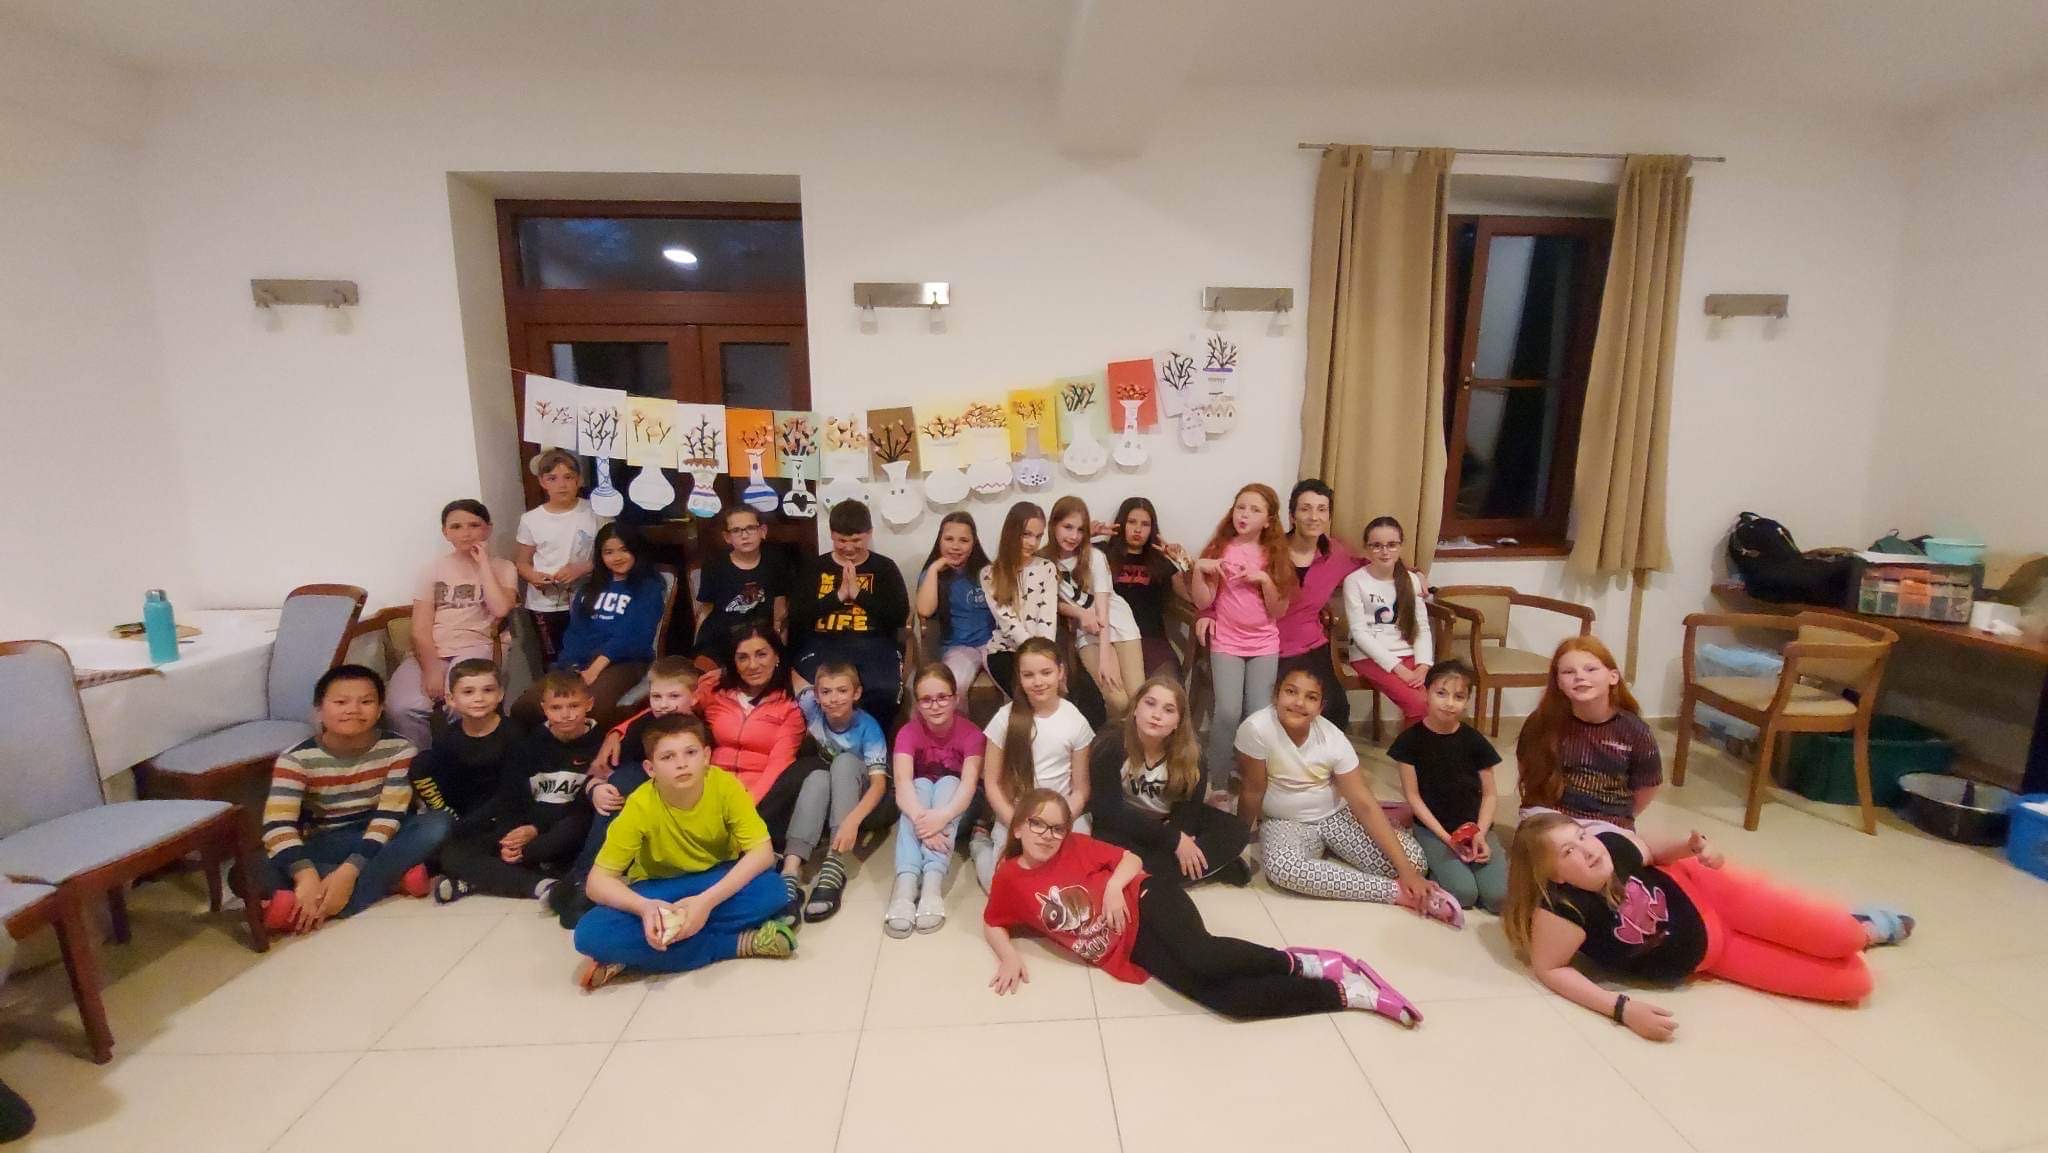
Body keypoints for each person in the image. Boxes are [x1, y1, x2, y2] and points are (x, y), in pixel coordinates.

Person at [983, 790, 1420, 1025]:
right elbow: (993, 921)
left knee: (1203, 956)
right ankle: (1348, 993)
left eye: (1056, 828)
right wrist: (1008, 956)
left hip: (1146, 899)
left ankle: (1306, 963)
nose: (1047, 835)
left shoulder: (1076, 846)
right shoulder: (1009, 878)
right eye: (1037, 824)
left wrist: (1114, 887)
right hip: (1130, 948)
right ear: (1018, 827)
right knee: (1227, 1000)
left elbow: (1129, 860)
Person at [1502, 812, 1915, 1040]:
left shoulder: (1610, 848)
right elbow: (1550, 968)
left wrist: (1693, 846)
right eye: (1568, 852)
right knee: (1854, 985)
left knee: (1842, 937)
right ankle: (1854, 933)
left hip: (1711, 894)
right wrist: (1623, 1010)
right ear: (1553, 875)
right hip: (1712, 956)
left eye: (1581, 837)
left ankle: (1865, 925)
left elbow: (1651, 850)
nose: (1586, 849)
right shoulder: (1563, 910)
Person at [570, 714, 797, 989]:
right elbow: (597, 882)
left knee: (773, 890)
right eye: (667, 757)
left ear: (706, 756)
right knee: (589, 933)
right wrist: (645, 908)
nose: (681, 763)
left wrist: (705, 903)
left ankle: (639, 952)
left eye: (690, 753)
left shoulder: (725, 786)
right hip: (658, 890)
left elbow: (762, 852)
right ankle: (735, 943)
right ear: (650, 768)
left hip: (713, 880)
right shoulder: (640, 805)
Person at [1236, 667, 1461, 925]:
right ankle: (1394, 893)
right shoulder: (1257, 728)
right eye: (1291, 692)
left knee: (1414, 861)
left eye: (1311, 697)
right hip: (1286, 822)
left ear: (1320, 707)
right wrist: (1237, 838)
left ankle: (1391, 835)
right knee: (1284, 869)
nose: (1299, 703)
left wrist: (1408, 872)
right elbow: (1253, 789)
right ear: (1276, 696)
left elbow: (1362, 802)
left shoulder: (1333, 738)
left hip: (1335, 815)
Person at [257, 666, 452, 932]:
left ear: (380, 709)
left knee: (438, 824)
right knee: (250, 868)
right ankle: (393, 880)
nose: (353, 710)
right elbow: (278, 825)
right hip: (330, 839)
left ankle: (338, 901)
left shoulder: (399, 749)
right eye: (340, 702)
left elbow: (389, 817)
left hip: (387, 834)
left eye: (366, 702)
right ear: (319, 710)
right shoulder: (295, 759)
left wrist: (349, 872)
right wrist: (306, 876)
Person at [552, 656, 701, 927]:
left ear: (695, 697)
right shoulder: (642, 726)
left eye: (673, 696)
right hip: (631, 796)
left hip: (678, 797)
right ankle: (585, 876)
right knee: (618, 784)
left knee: (629, 782)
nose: (664, 704)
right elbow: (604, 770)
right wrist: (596, 788)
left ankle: (587, 877)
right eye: (656, 696)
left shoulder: (700, 730)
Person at [433, 671, 601, 902]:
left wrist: (535, 830)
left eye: (574, 706)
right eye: (556, 707)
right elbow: (512, 797)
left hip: (567, 831)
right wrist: (512, 835)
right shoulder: (529, 744)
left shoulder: (602, 744)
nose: (566, 715)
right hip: (529, 827)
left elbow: (582, 808)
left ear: (589, 704)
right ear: (544, 708)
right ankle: (543, 886)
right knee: (452, 852)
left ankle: (483, 879)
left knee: (568, 831)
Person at [1087, 676, 1251, 887]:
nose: (1156, 715)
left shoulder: (1193, 756)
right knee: (1106, 845)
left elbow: (1188, 814)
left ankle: (1154, 873)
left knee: (1236, 830)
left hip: (1168, 823)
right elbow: (1107, 811)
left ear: (1178, 722)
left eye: (1168, 710)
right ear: (1135, 708)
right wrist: (1173, 839)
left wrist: (1178, 837)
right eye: (1150, 703)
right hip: (1125, 824)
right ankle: (1203, 869)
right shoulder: (1111, 743)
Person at [1189, 483, 1295, 794]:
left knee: (1259, 713)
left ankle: (1252, 777)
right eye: (1240, 507)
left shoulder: (1275, 555)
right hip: (1227, 642)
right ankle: (1217, 781)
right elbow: (1203, 600)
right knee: (1227, 711)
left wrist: (1263, 579)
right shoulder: (1220, 548)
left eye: (1254, 510)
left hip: (1264, 644)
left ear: (1269, 520)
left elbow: (1278, 610)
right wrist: (1199, 569)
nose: (1244, 515)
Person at [387, 499, 518, 748]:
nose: (465, 533)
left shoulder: (503, 567)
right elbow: (420, 629)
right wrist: (431, 670)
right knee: (402, 707)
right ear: (445, 532)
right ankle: (419, 762)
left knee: (461, 702)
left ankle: (464, 758)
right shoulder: (432, 569)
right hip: (434, 649)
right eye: (456, 527)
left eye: (474, 525)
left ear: (488, 529)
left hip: (477, 645)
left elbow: (500, 608)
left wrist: (483, 564)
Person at [970, 637, 1095, 891]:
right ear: (1019, 677)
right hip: (1016, 816)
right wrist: (1018, 823)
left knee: (1071, 886)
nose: (1038, 682)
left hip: (1063, 816)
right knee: (1003, 888)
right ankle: (980, 846)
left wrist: (1058, 824)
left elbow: (1081, 789)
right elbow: (991, 783)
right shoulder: (1004, 719)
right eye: (1028, 675)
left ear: (1060, 672)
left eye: (1046, 673)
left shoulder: (1075, 720)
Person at [695, 620, 811, 889]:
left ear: (776, 657)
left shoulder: (789, 707)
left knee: (805, 770)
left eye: (761, 654)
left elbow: (778, 765)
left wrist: (743, 808)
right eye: (743, 657)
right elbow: (670, 712)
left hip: (760, 797)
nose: (753, 665)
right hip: (711, 788)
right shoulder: (715, 692)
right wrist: (618, 732)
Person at [517, 522, 666, 730]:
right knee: (525, 707)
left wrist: (595, 669)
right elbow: (576, 632)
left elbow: (633, 635)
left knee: (591, 708)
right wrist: (568, 667)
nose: (617, 557)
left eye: (624, 550)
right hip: (580, 662)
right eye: (609, 552)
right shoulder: (589, 588)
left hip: (624, 662)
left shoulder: (649, 587)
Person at [1389, 661, 1506, 912]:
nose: (1449, 703)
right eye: (1441, 693)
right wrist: (1446, 838)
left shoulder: (1475, 741)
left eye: (1458, 697)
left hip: (1475, 828)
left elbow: (1489, 794)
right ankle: (1437, 869)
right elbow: (1413, 797)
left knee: (1499, 898)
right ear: (1426, 693)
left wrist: (1481, 833)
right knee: (1463, 894)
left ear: (1467, 701)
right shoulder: (1409, 741)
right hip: (1434, 831)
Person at [980, 500, 1108, 727]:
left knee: (1092, 703)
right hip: (1007, 651)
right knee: (1037, 704)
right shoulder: (990, 574)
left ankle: (1084, 748)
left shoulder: (1046, 568)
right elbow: (1009, 623)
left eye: (1038, 536)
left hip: (1048, 649)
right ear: (1011, 533)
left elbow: (1047, 618)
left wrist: (1048, 660)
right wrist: (1039, 663)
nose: (1032, 543)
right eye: (1026, 534)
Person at [783, 662, 892, 922]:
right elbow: (794, 678)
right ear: (816, 695)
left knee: (843, 762)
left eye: (842, 691)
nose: (833, 699)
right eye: (826, 692)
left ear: (856, 693)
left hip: (870, 803)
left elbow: (879, 785)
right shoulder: (812, 706)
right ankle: (790, 870)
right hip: (834, 794)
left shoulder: (868, 728)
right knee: (817, 777)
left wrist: (852, 822)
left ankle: (834, 861)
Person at [1516, 636, 1661, 828]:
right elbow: (1526, 769)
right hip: (1549, 817)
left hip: (1608, 821)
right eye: (1568, 672)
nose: (1579, 676)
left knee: (1621, 847)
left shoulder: (1635, 731)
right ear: (1558, 682)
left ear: (1613, 677)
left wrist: (1619, 820)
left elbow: (1648, 785)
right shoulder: (1540, 723)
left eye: (1591, 669)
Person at [886, 664, 985, 937]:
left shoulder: (972, 734)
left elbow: (968, 786)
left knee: (949, 782)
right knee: (919, 785)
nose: (935, 705)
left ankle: (932, 883)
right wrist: (925, 824)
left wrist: (941, 817)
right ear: (917, 704)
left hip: (959, 809)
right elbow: (902, 783)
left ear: (955, 698)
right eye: (927, 700)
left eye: (942, 697)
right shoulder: (908, 732)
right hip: (921, 811)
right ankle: (905, 887)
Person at [793, 500, 909, 725]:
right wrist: (838, 596)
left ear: (869, 534)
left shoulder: (885, 568)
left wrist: (858, 594)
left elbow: (898, 616)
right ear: (831, 535)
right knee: (820, 692)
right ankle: (826, 740)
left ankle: (873, 739)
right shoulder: (815, 568)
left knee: (884, 689)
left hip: (873, 643)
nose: (848, 548)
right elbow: (798, 614)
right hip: (824, 643)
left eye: (856, 540)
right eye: (841, 541)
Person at [1043, 496, 1145, 715]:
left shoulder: (1095, 556)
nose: (1074, 536)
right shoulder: (1043, 561)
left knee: (1138, 700)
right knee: (1118, 701)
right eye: (1068, 527)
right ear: (1053, 525)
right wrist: (1078, 612)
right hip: (1087, 631)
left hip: (1117, 622)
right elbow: (1049, 602)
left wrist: (1105, 657)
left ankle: (1132, 737)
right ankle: (1120, 736)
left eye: (1080, 530)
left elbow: (1102, 608)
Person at [1274, 479, 1361, 732]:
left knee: (1335, 708)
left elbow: (1366, 566)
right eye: (1306, 509)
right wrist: (1207, 614)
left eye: (1322, 509)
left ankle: (1324, 756)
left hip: (1312, 643)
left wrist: (1411, 574)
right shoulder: (1271, 551)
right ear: (1292, 516)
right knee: (1285, 709)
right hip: (1270, 646)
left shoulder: (1335, 552)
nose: (1314, 517)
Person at [1341, 516, 1434, 727]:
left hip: (1408, 653)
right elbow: (1359, 633)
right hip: (1369, 656)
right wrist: (1399, 669)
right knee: (1419, 703)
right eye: (1376, 546)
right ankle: (1412, 748)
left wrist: (1423, 665)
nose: (1385, 552)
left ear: (1400, 546)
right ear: (1366, 548)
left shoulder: (1410, 580)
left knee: (1435, 701)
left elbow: (1421, 627)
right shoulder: (1355, 581)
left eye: (1391, 545)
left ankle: (1418, 745)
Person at [409, 658, 521, 832]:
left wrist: (470, 824)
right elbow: (446, 784)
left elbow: (514, 790)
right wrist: (450, 815)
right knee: (421, 762)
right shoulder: (447, 737)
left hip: (504, 811)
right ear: (451, 699)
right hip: (462, 812)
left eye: (488, 690)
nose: (479, 698)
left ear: (500, 694)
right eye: (468, 692)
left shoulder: (514, 734)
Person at [514, 448, 599, 665]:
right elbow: (522, 562)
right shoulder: (531, 519)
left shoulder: (595, 512)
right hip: (546, 604)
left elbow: (610, 553)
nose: (562, 485)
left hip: (587, 598)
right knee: (556, 660)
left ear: (579, 480)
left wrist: (583, 567)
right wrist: (533, 576)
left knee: (589, 656)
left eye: (568, 477)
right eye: (553, 478)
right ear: (542, 482)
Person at [1102, 497, 1192, 681]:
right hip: (1111, 640)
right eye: (1132, 522)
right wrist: (1087, 533)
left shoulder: (1160, 560)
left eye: (1145, 524)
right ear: (1121, 524)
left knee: (1168, 684)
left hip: (1151, 638)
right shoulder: (1102, 554)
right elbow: (1059, 561)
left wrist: (1183, 561)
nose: (1138, 529)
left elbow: (1192, 597)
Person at [915, 511, 996, 699]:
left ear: (974, 543)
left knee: (1014, 681)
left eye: (964, 540)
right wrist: (934, 569)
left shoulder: (988, 572)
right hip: (958, 647)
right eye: (949, 539)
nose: (956, 546)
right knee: (953, 687)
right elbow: (925, 610)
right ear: (939, 541)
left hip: (993, 644)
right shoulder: (932, 574)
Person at [693, 506, 792, 659]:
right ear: (727, 537)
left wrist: (780, 651)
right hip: (721, 640)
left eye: (750, 528)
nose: (744, 535)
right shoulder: (714, 565)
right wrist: (697, 647)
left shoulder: (775, 562)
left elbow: (780, 611)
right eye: (736, 530)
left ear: (763, 531)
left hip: (759, 640)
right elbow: (706, 609)